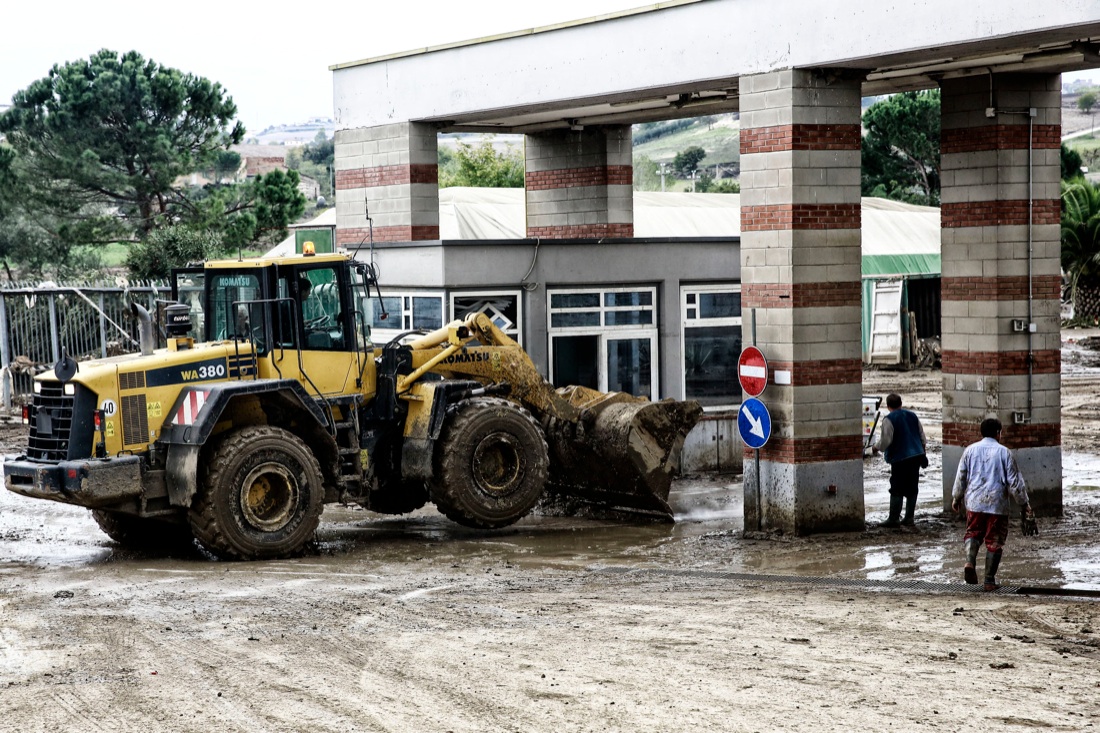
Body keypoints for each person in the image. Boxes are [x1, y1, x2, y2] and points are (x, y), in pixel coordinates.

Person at [951, 417, 1033, 591]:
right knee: (994, 540)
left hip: (974, 502)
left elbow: (961, 476)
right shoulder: (1005, 453)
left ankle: (969, 562)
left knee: (973, 533)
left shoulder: (970, 450)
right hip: (997, 504)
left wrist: (956, 497)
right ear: (998, 433)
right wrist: (1024, 504)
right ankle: (989, 580)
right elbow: (1015, 483)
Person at [874, 393, 928, 527]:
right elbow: (922, 437)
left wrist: (875, 448)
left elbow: (885, 441)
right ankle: (909, 518)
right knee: (912, 486)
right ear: (901, 404)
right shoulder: (912, 415)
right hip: (916, 456)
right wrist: (922, 453)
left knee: (897, 487)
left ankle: (893, 519)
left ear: (888, 406)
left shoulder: (889, 419)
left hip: (900, 458)